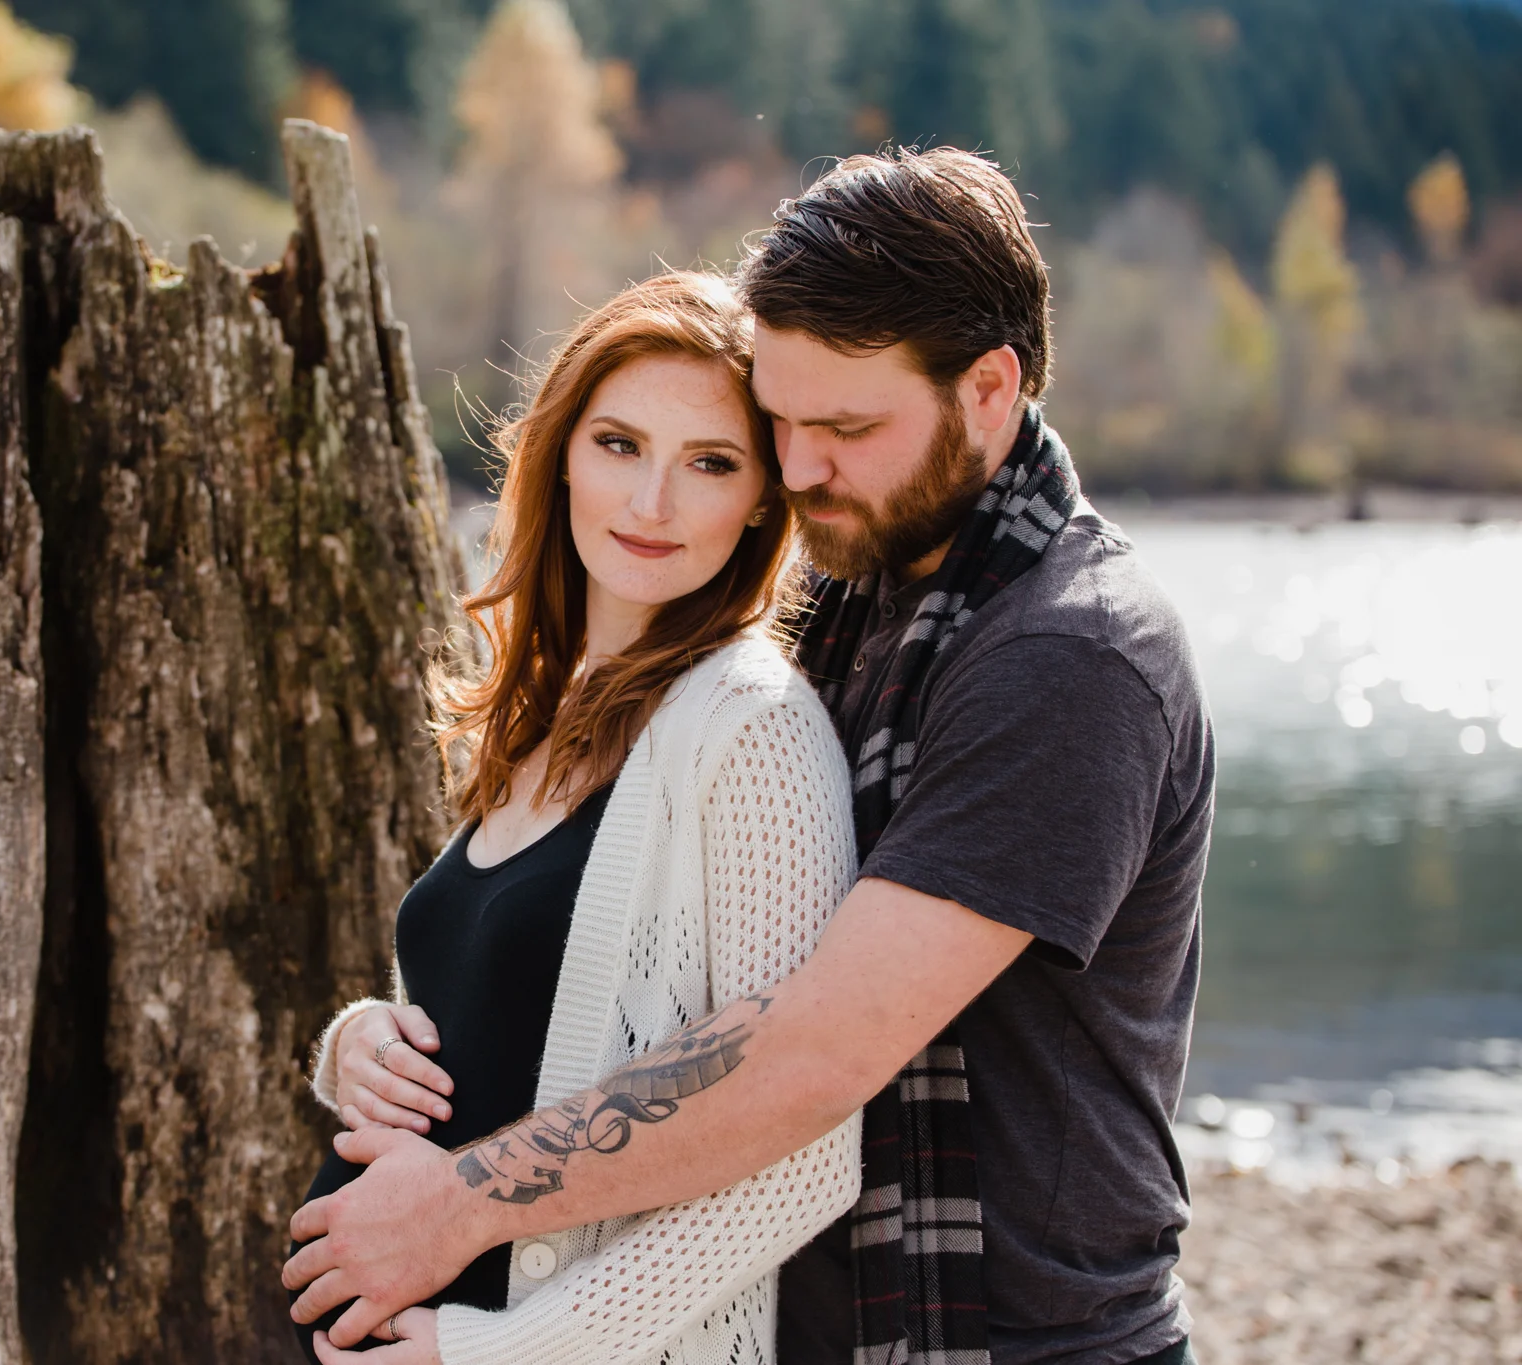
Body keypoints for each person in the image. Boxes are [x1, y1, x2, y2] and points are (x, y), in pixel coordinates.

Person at [286, 148, 1214, 1365]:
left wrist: (453, 1209)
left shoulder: (1068, 655)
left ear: (990, 390)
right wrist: (369, 1044)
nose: (799, 467)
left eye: (843, 426)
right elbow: (619, 975)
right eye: (776, 422)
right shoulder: (854, 586)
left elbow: (808, 1058)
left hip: (1010, 1344)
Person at [290, 270, 866, 1365]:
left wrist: (492, 1353)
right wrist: (356, 1044)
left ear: (760, 498)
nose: (650, 504)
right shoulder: (542, 710)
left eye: (708, 463)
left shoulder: (749, 729)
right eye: (617, 444)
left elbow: (799, 1162)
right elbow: (494, 1012)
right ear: (558, 451)